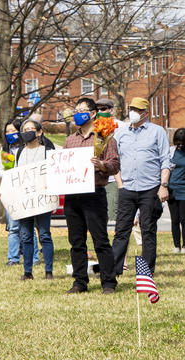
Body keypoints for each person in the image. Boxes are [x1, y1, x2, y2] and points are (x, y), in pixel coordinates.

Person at [63, 98, 120, 294]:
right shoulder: (70, 140)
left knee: (100, 240)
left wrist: (102, 166)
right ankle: (79, 282)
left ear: (93, 113)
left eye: (82, 110)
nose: (78, 113)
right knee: (76, 241)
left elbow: (115, 165)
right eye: (76, 110)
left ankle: (109, 282)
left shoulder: (104, 138)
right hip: (72, 196)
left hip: (94, 193)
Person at [112, 97, 171, 274]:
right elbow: (115, 161)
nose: (133, 113)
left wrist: (164, 185)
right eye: (131, 109)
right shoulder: (121, 133)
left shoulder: (157, 132)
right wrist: (120, 184)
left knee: (148, 230)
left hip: (150, 188)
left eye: (137, 110)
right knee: (121, 231)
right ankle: (114, 271)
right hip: (127, 188)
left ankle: (146, 272)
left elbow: (165, 160)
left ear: (146, 113)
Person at [14, 118, 56, 280]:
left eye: (31, 129)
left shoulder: (47, 150)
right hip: (25, 200)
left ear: (39, 132)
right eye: (24, 130)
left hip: (42, 199)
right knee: (25, 236)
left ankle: (48, 271)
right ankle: (27, 272)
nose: (27, 132)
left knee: (44, 234)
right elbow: (14, 177)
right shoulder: (18, 152)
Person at [0, 119, 40, 267]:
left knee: (28, 227)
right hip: (11, 192)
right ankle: (13, 258)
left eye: (13, 131)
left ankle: (34, 257)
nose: (10, 134)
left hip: (26, 192)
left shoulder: (27, 149)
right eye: (7, 131)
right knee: (13, 227)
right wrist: (11, 174)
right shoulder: (4, 151)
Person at [168, 128, 185, 253]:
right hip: (172, 188)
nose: (180, 145)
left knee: (184, 218)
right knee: (174, 219)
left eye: (183, 143)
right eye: (178, 142)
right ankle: (176, 245)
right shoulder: (171, 152)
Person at [96, 98, 121, 222]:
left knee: (111, 216)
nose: (100, 111)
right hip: (94, 180)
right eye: (98, 109)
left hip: (113, 179)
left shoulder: (121, 128)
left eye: (103, 109)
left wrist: (120, 182)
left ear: (111, 111)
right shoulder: (93, 127)